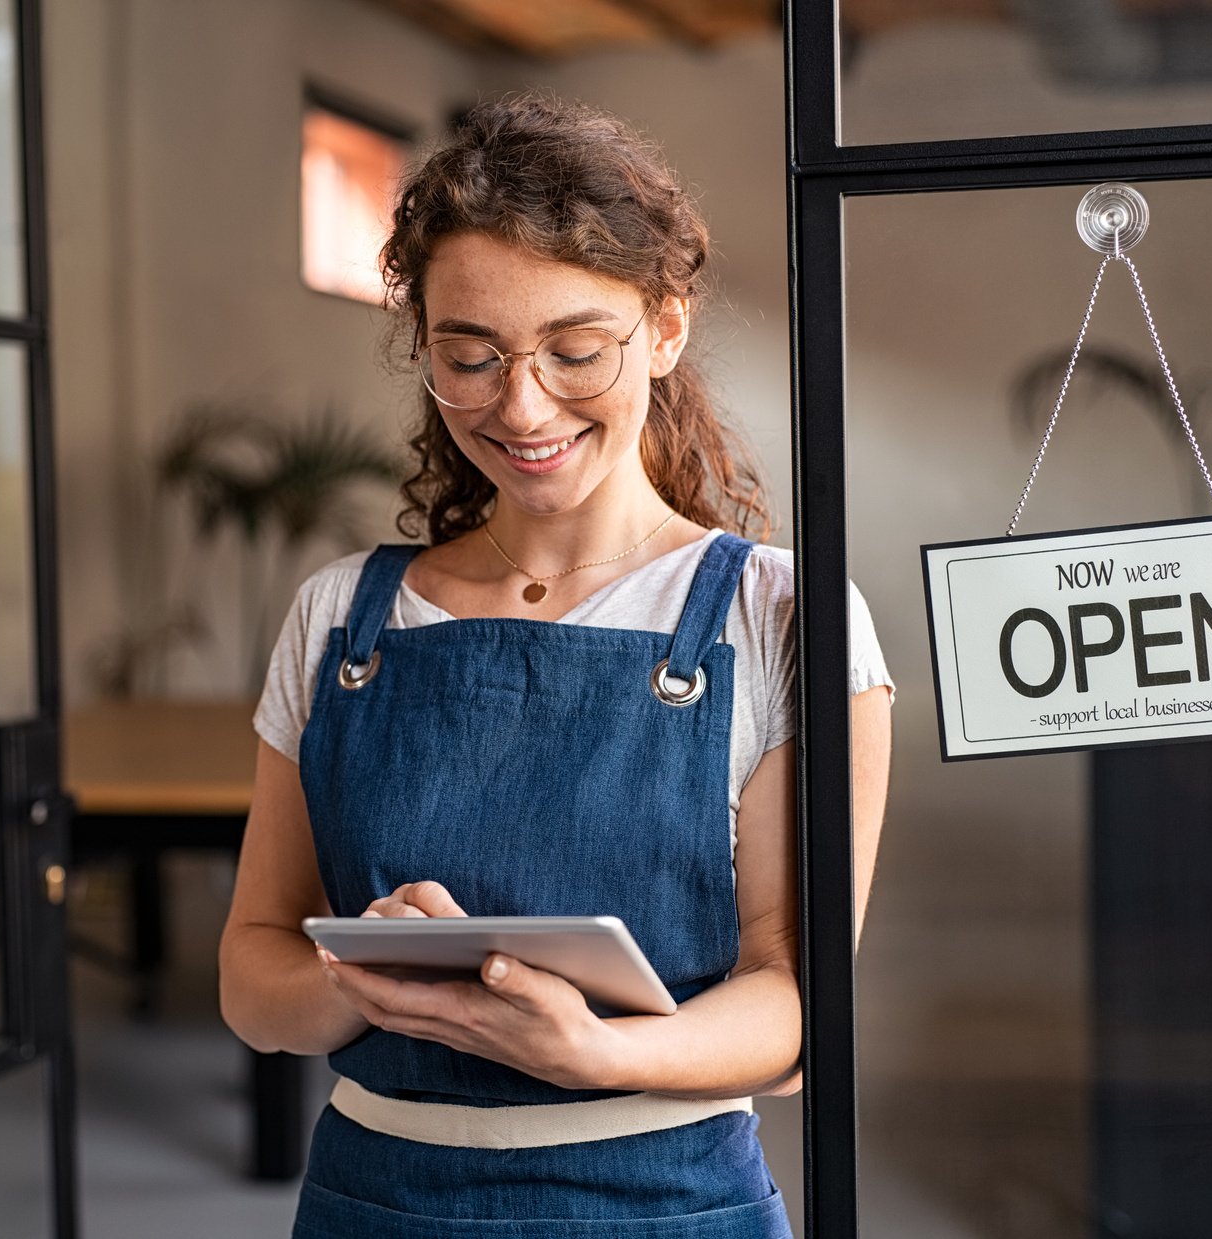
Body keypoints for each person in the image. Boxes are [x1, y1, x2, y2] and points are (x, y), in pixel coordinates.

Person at [219, 93, 894, 1238]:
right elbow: (251, 970)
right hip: (371, 1201)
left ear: (665, 329)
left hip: (668, 1203)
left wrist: (593, 1051)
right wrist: (363, 979)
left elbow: (792, 1011)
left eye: (575, 351)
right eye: (468, 358)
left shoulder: (778, 615)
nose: (521, 407)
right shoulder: (342, 618)